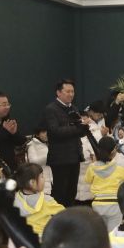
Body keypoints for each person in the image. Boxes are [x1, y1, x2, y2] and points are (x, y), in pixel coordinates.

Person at [43, 79, 88, 207]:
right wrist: (77, 127)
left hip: (75, 156)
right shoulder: (51, 109)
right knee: (60, 192)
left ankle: (69, 215)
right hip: (60, 158)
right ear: (58, 93)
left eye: (72, 91)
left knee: (72, 191)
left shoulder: (74, 108)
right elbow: (55, 131)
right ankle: (58, 217)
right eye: (67, 91)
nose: (71, 94)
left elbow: (80, 132)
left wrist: (84, 126)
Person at [85, 136, 124, 231]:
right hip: (114, 205)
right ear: (113, 152)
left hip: (97, 204)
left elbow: (87, 180)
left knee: (101, 233)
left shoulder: (92, 168)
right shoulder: (120, 169)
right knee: (113, 234)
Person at [13, 163, 63, 238]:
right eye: (42, 176)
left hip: (24, 238)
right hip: (45, 238)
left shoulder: (15, 198)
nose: (44, 179)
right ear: (32, 183)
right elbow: (65, 214)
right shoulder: (46, 201)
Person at [26, 127, 53, 196]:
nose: (46, 134)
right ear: (37, 134)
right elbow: (33, 162)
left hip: (53, 176)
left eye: (47, 131)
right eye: (43, 132)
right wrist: (49, 157)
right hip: (41, 177)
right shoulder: (32, 145)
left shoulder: (51, 142)